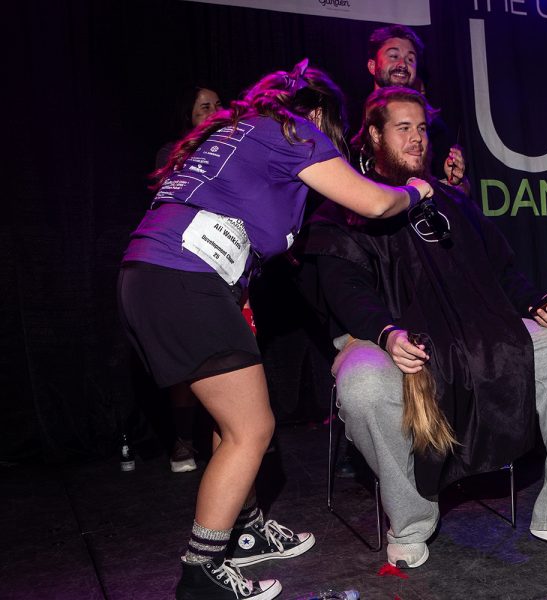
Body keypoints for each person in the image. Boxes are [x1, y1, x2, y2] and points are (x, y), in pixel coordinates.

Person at [118, 60, 433, 600]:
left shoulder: (226, 135)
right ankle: (200, 572)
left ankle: (244, 533)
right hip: (183, 281)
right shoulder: (292, 130)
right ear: (314, 113)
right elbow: (376, 202)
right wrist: (418, 192)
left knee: (230, 420)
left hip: (150, 277)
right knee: (252, 429)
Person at [299, 87, 547, 568]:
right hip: (381, 335)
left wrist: (536, 304)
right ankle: (411, 520)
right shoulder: (344, 207)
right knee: (363, 384)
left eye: (422, 129)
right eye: (402, 128)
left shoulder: (451, 200)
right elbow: (346, 290)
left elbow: (501, 271)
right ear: (373, 135)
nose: (416, 139)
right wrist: (386, 333)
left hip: (475, 332)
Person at [154, 84, 225, 473]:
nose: (215, 110)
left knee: (229, 355)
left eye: (218, 104)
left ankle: (232, 434)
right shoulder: (173, 153)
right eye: (204, 107)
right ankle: (183, 440)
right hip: (184, 263)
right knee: (188, 358)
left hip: (227, 264)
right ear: (189, 117)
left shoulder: (235, 148)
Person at [364, 24, 467, 192]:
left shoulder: (433, 127)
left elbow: (461, 192)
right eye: (394, 56)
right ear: (372, 66)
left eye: (410, 59)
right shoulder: (349, 118)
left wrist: (454, 183)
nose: (402, 64)